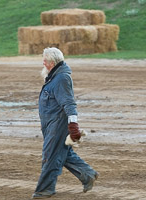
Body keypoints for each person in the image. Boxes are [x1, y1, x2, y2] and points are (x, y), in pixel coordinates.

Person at [32, 47, 99, 199]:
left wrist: (73, 126)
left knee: (50, 155)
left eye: (45, 60)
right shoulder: (54, 77)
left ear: (53, 62)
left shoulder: (61, 79)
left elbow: (69, 104)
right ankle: (88, 174)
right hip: (50, 125)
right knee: (63, 153)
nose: (43, 62)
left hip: (58, 126)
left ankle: (44, 190)